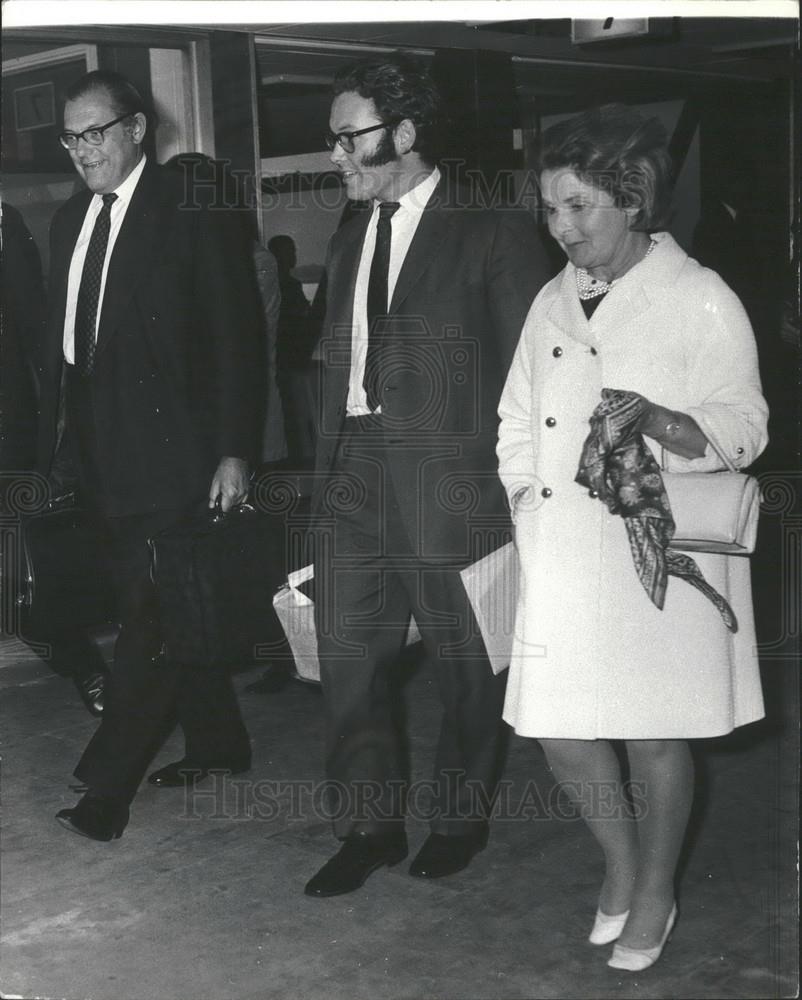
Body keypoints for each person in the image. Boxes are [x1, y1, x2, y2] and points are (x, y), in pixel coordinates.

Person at [497, 104, 768, 971]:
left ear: (631, 198)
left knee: (655, 731)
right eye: (550, 209)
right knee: (558, 726)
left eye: (579, 206)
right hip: (567, 546)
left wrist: (660, 420)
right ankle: (619, 863)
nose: (563, 227)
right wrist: (524, 500)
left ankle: (655, 888)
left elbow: (746, 426)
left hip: (660, 544)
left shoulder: (700, 295)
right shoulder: (549, 300)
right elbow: (513, 418)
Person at [303, 53, 550, 898]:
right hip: (353, 479)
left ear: (404, 133)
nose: (336, 157)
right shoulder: (348, 233)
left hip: (454, 479)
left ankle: (457, 818)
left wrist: (515, 490)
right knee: (346, 660)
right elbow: (335, 364)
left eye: (350, 139)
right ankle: (367, 827)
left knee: (465, 665)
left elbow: (535, 372)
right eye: (332, 141)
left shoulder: (489, 225)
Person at [39, 70, 263, 841]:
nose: (81, 150)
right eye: (70, 137)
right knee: (168, 602)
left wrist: (234, 449)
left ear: (137, 129)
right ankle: (219, 743)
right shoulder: (70, 221)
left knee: (152, 615)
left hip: (177, 454)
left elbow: (238, 338)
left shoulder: (190, 211)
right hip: (97, 455)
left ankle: (108, 787)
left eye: (94, 132)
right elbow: (64, 346)